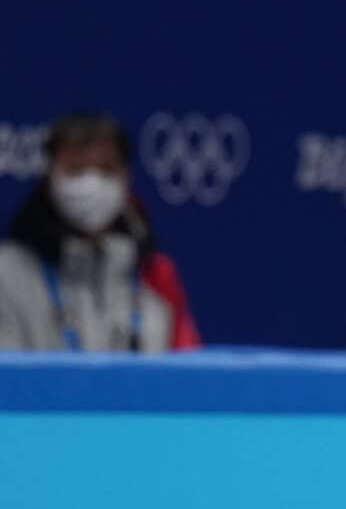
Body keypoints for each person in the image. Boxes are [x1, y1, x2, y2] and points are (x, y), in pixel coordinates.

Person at [0, 112, 201, 352]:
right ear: (49, 175)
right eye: (76, 169)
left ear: (126, 177)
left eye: (106, 169)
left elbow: (184, 362)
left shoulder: (155, 275)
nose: (91, 183)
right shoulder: (7, 273)